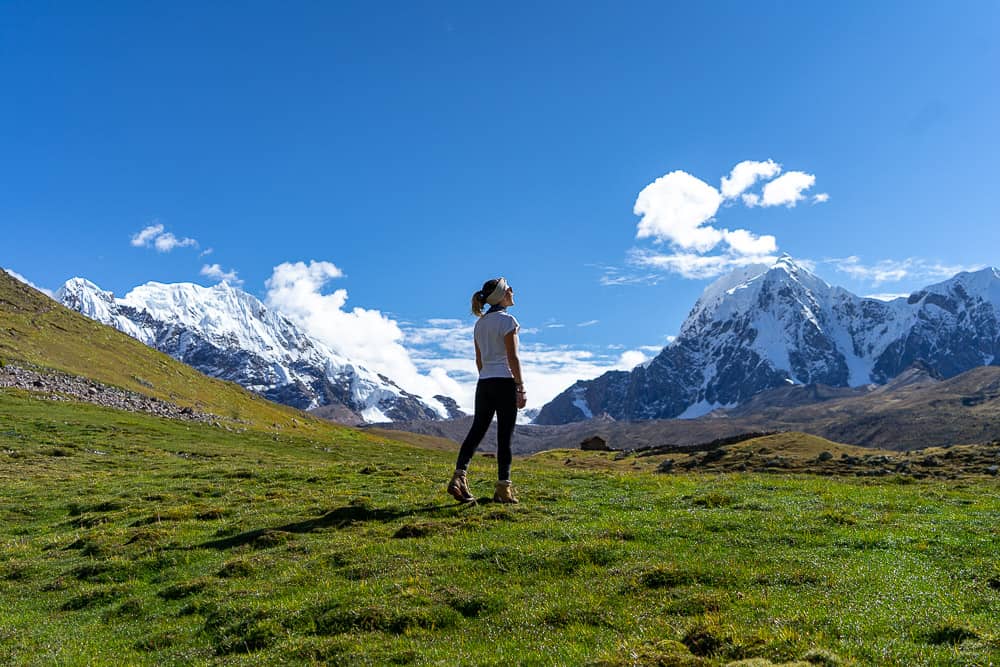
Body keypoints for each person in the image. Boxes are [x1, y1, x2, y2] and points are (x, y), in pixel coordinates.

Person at [447, 277, 527, 504]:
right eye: (508, 288)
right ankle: (503, 489)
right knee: (504, 436)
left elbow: (479, 359)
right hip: (505, 382)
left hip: (484, 382)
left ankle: (459, 476)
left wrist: (486, 377)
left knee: (477, 430)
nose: (512, 290)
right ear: (501, 295)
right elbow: (513, 357)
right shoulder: (508, 321)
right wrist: (520, 386)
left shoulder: (479, 324)